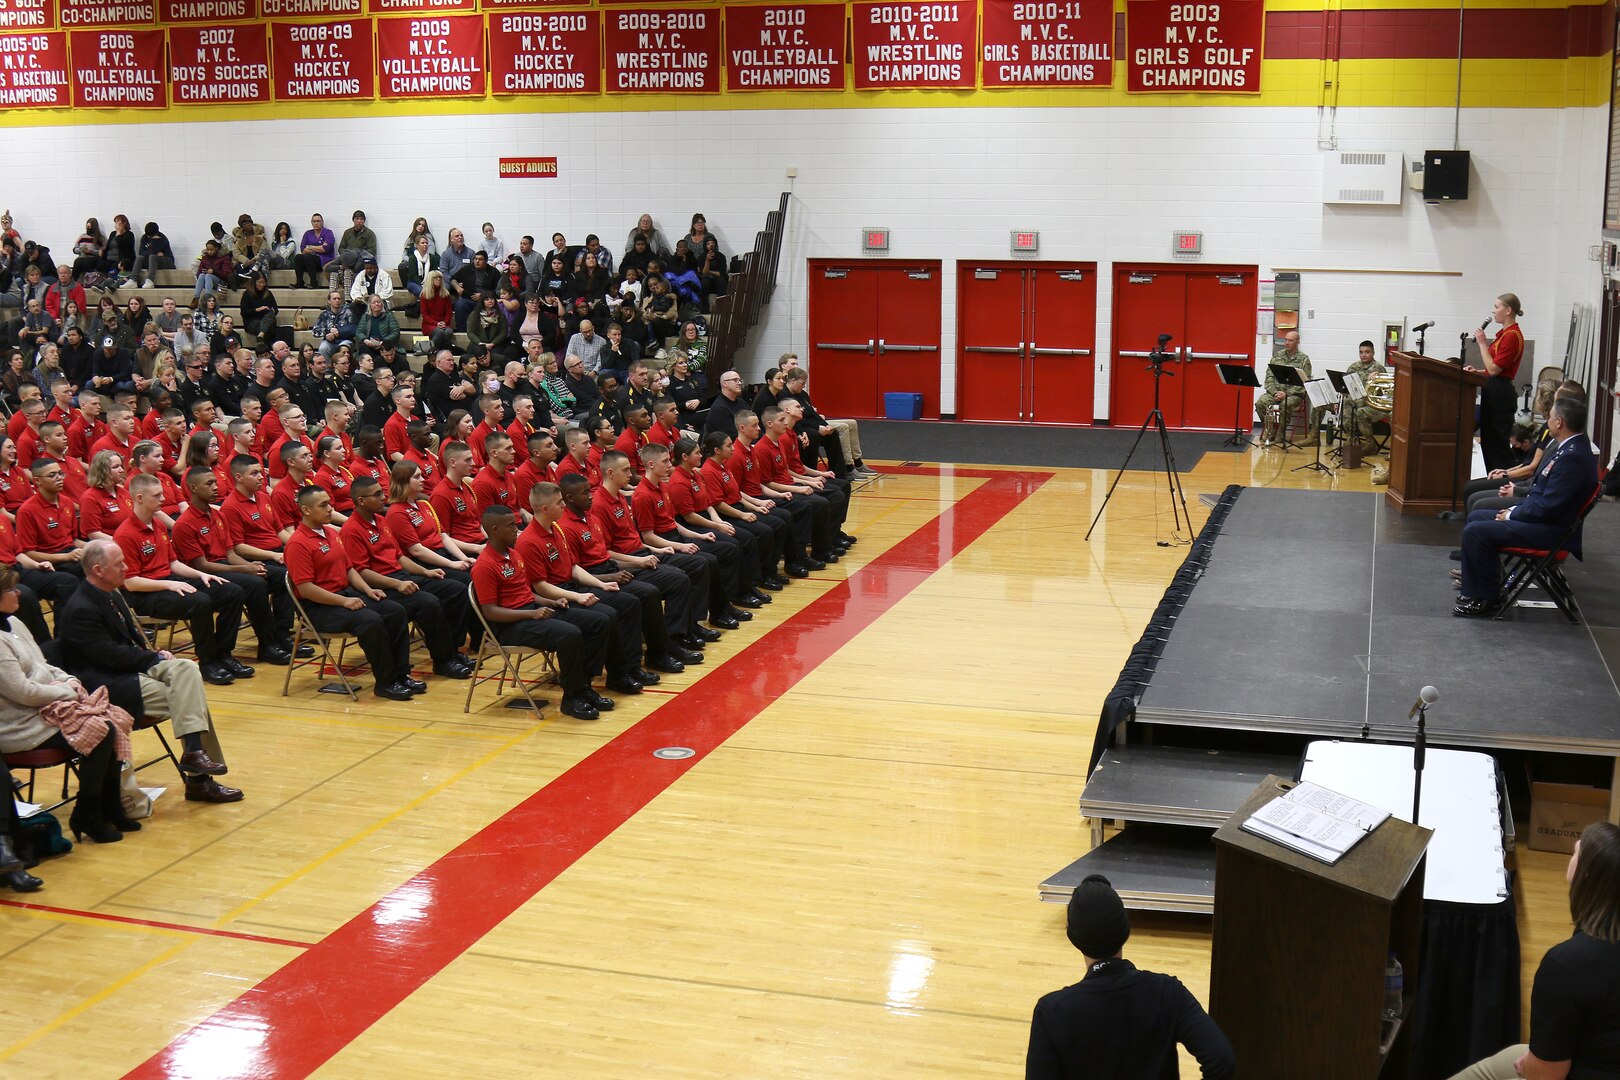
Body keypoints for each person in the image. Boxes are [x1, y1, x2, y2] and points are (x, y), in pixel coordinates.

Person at [56, 540, 243, 803]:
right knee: (189, 696)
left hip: (129, 670)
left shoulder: (111, 593)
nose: (126, 567)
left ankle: (194, 754)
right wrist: (152, 658)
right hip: (107, 685)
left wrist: (155, 655)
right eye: (119, 563)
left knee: (186, 669)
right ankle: (199, 780)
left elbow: (130, 643)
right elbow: (110, 656)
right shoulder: (80, 609)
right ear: (98, 569)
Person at [1446, 821, 1620, 1080]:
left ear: (1586, 876)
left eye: (1575, 854)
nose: (1570, 858)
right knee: (1515, 1053)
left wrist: (1530, 1066)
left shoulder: (1567, 965)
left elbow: (1547, 1075)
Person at [1026, 874, 1234, 1079]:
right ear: (1126, 929)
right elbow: (1221, 1060)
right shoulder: (1167, 992)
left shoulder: (1052, 1012)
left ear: (1073, 938)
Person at [0, 566, 135, 848]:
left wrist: (69, 679)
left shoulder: (14, 623)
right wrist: (65, 691)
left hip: (45, 705)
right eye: (11, 589)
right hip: (18, 723)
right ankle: (87, 813)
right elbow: (22, 692)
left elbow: (43, 666)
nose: (19, 594)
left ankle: (109, 807)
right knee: (100, 731)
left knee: (114, 719)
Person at [1455, 395, 1598, 617]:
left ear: (1559, 422)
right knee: (1478, 517)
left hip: (1550, 531)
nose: (1547, 421)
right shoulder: (1571, 449)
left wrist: (1512, 514)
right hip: (1545, 521)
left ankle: (1486, 599)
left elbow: (1548, 507)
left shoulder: (1572, 457)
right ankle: (1479, 589)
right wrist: (1513, 511)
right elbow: (1544, 497)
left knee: (1476, 531)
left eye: (1550, 417)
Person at [472, 504, 608, 720]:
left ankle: (584, 685)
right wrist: (530, 614)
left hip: (532, 611)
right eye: (510, 525)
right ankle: (571, 699)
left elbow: (527, 593)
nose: (516, 528)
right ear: (495, 530)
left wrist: (551, 601)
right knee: (569, 634)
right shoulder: (484, 565)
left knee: (598, 621)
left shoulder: (514, 554)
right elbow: (490, 612)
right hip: (510, 625)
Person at [285, 485, 419, 702]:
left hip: (344, 594)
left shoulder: (330, 532)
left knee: (395, 610)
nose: (330, 509)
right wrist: (344, 601)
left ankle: (401, 675)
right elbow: (306, 589)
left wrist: (368, 590)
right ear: (306, 510)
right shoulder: (298, 543)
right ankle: (385, 683)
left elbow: (349, 569)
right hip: (319, 608)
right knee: (371, 621)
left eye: (330, 503)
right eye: (323, 505)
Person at [116, 473, 251, 686]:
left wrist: (201, 574)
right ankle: (208, 663)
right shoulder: (125, 534)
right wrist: (169, 583)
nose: (163, 499)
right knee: (200, 603)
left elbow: (173, 564)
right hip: (144, 594)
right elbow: (131, 582)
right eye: (157, 495)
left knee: (232, 591)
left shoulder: (158, 525)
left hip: (168, 580)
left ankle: (224, 654)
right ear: (139, 498)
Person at [340, 475, 473, 679]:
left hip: (401, 575)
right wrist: (398, 583)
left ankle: (453, 650)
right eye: (377, 495)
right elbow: (362, 572)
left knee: (455, 590)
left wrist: (425, 572)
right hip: (382, 584)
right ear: (361, 501)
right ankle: (443, 661)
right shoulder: (351, 530)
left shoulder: (381, 520)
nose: (383, 497)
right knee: (429, 603)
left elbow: (399, 556)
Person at [1468, 293, 1526, 473]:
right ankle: (1493, 479)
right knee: (1490, 443)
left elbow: (1494, 370)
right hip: (1493, 388)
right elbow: (1493, 370)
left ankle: (1502, 482)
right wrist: (1477, 372)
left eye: (1497, 307)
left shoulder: (1512, 336)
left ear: (1508, 310)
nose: (1493, 311)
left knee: (1497, 445)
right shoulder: (1504, 334)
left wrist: (1483, 343)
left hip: (1500, 394)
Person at [1255, 331, 1310, 447]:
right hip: (1275, 393)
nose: (1286, 343)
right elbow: (1269, 377)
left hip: (1294, 395)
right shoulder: (1277, 356)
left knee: (1285, 405)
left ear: (1298, 342)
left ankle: (1281, 433)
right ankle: (1271, 429)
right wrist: (1275, 392)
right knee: (1260, 403)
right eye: (1285, 340)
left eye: (1290, 340)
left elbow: (1305, 383)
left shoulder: (1304, 360)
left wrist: (1287, 394)